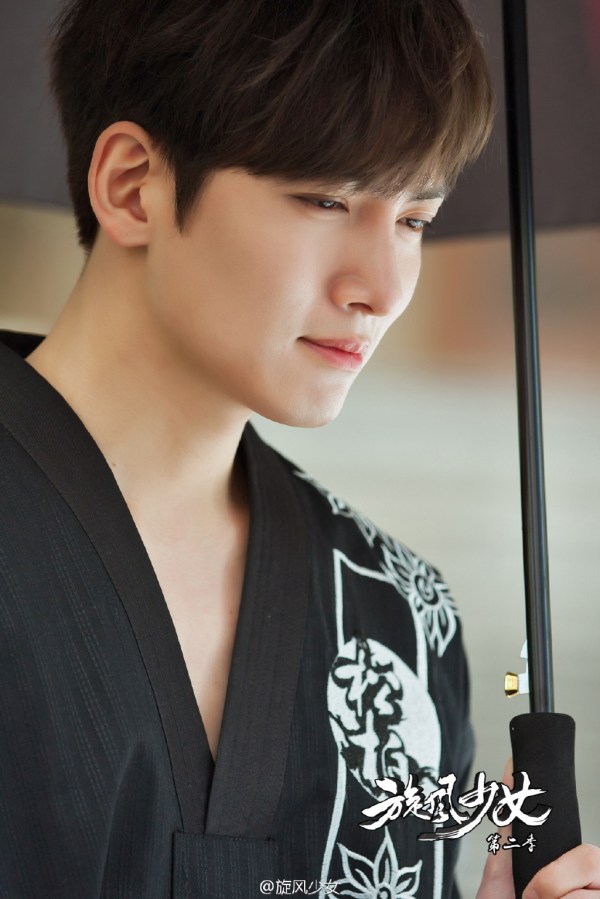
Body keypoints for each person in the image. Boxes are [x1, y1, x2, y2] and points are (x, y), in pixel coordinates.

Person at [0, 0, 598, 896]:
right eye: (326, 200)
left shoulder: (403, 617)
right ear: (133, 185)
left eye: (415, 220)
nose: (382, 288)